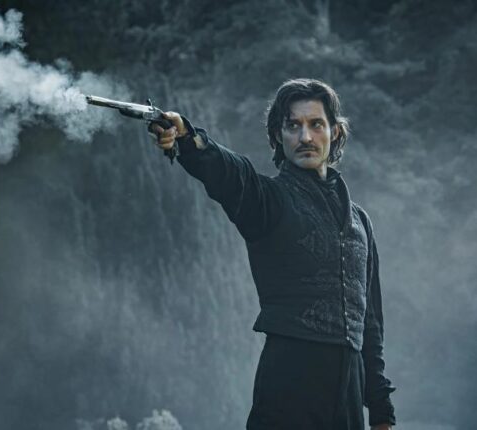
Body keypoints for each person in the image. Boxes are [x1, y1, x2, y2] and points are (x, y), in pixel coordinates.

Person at [149, 78, 397, 429]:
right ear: (278, 135)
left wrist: (381, 411)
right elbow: (230, 174)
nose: (305, 137)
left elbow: (371, 323)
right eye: (293, 126)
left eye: (316, 124)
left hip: (350, 393)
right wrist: (188, 138)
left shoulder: (361, 222)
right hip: (289, 384)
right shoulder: (268, 201)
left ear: (335, 132)